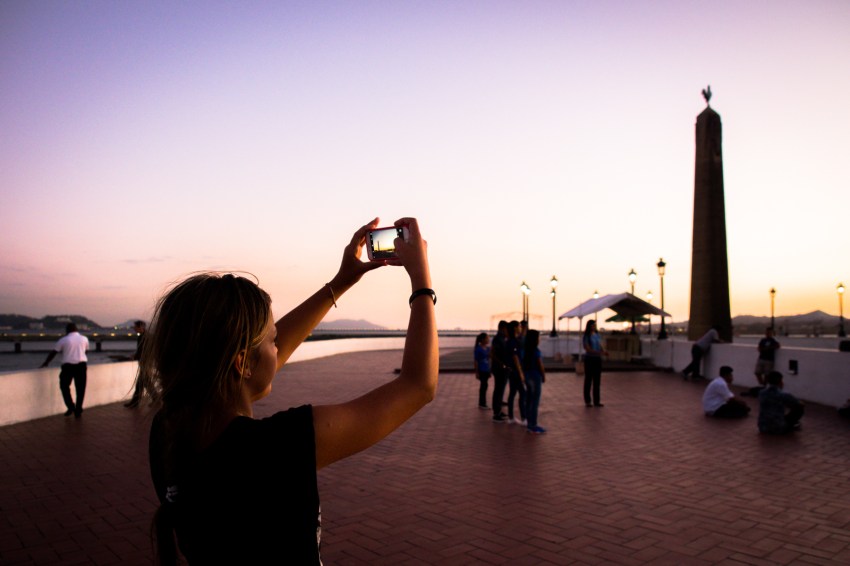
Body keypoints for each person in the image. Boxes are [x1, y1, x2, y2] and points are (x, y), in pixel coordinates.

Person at [141, 218, 437, 565]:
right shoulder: (276, 448)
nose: (278, 346)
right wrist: (422, 280)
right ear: (241, 363)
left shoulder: (168, 432)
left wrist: (341, 282)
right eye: (271, 341)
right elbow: (418, 385)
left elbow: (240, 361)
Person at [40, 322, 90, 418]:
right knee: (80, 388)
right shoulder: (84, 339)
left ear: (67, 330)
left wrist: (46, 362)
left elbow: (53, 352)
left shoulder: (63, 340)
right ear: (76, 329)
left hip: (67, 366)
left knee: (64, 386)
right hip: (81, 366)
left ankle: (71, 406)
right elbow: (86, 351)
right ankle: (78, 409)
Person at [521, 329, 546, 434]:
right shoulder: (536, 351)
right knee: (535, 401)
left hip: (527, 375)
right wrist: (543, 375)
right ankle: (533, 425)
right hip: (535, 376)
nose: (539, 339)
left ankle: (529, 424)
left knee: (529, 400)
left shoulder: (524, 350)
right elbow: (540, 364)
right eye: (538, 337)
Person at [505, 320, 527, 425]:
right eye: (519, 326)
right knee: (522, 393)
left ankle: (511, 417)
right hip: (515, 371)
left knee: (512, 393)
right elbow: (515, 357)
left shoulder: (509, 341)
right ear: (514, 328)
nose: (520, 328)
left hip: (511, 371)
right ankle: (524, 418)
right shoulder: (514, 342)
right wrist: (521, 373)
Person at [490, 321, 511, 423]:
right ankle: (496, 413)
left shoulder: (502, 338)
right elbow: (493, 353)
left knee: (500, 390)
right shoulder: (498, 339)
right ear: (502, 328)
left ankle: (498, 410)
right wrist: (502, 364)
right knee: (498, 390)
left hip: (502, 368)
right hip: (500, 369)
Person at [582, 319, 605, 407]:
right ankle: (587, 400)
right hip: (589, 359)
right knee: (588, 380)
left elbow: (600, 345)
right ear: (589, 326)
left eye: (595, 325)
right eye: (592, 325)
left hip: (597, 359)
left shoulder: (597, 335)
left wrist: (603, 351)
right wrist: (598, 352)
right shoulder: (586, 336)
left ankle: (596, 401)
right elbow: (587, 348)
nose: (594, 327)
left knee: (597, 381)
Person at [124, 320, 147, 408]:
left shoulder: (144, 337)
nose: (134, 328)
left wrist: (135, 356)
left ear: (141, 327)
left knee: (140, 382)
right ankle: (156, 398)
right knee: (145, 381)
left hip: (145, 362)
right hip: (144, 361)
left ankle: (135, 402)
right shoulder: (142, 336)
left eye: (135, 327)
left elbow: (143, 350)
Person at [473, 332, 491, 410]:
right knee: (483, 386)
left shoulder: (487, 348)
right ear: (483, 339)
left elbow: (489, 358)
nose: (488, 339)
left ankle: (483, 403)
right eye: (487, 338)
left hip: (486, 369)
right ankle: (482, 403)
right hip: (481, 370)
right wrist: (476, 372)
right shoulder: (478, 349)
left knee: (485, 386)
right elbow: (476, 361)